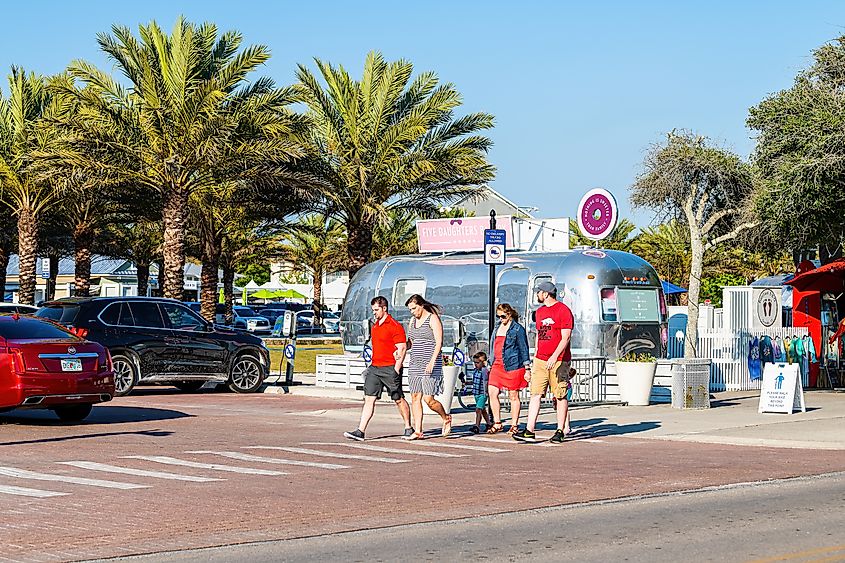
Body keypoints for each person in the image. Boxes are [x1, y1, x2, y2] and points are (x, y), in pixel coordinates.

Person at [344, 296, 413, 441]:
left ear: (384, 308)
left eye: (376, 310)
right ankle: (360, 431)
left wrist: (396, 369)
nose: (374, 312)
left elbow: (402, 348)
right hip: (375, 368)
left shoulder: (395, 326)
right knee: (369, 399)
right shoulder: (375, 325)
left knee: (398, 399)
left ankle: (408, 427)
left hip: (390, 368)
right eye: (373, 310)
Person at [513, 281, 574, 444]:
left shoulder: (563, 310)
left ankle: (560, 430)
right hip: (541, 359)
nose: (537, 295)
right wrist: (535, 355)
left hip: (559, 360)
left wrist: (555, 356)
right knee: (535, 393)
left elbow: (565, 337)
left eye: (539, 292)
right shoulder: (539, 312)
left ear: (546, 293)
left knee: (560, 395)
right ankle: (529, 430)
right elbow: (540, 335)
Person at [404, 294, 451, 440]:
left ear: (421, 305)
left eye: (414, 308)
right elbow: (411, 341)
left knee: (428, 399)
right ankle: (418, 430)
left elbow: (439, 342)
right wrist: (402, 348)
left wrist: (432, 361)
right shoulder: (412, 321)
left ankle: (446, 417)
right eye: (410, 309)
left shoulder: (432, 319)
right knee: (415, 396)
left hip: (430, 362)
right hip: (415, 363)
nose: (412, 312)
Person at [486, 303, 531, 436]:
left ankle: (514, 424)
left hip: (513, 365)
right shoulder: (496, 328)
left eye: (503, 316)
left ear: (509, 314)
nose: (501, 319)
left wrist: (527, 367)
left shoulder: (518, 329)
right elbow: (493, 346)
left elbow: (524, 348)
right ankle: (497, 422)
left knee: (513, 395)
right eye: (498, 316)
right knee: (492, 392)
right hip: (497, 365)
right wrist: (490, 362)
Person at [468, 352, 491, 433]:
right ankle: (489, 423)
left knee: (478, 410)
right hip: (476, 393)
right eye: (474, 362)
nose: (475, 364)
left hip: (482, 394)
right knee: (483, 410)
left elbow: (487, 381)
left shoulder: (485, 371)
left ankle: (476, 426)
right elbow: (473, 381)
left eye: (478, 362)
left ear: (483, 362)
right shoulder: (475, 371)